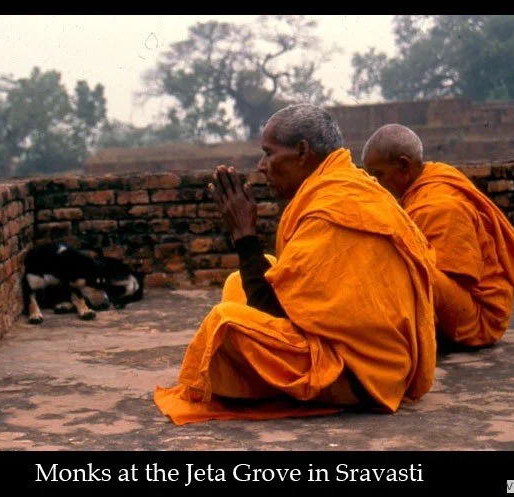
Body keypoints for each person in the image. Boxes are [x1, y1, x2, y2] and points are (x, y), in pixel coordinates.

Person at [154, 104, 437, 425]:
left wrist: (243, 235)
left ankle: (275, 386)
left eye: (268, 153)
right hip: (377, 361)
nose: (261, 167)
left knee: (225, 323)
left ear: (302, 152)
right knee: (238, 282)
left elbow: (275, 311)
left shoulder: (332, 208)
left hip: (358, 374)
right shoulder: (344, 187)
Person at [361, 124, 514, 350]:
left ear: (404, 165)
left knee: (403, 265)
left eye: (379, 175)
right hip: (458, 301)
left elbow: (451, 280)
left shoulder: (440, 206)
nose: (375, 184)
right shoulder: (428, 181)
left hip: (480, 317)